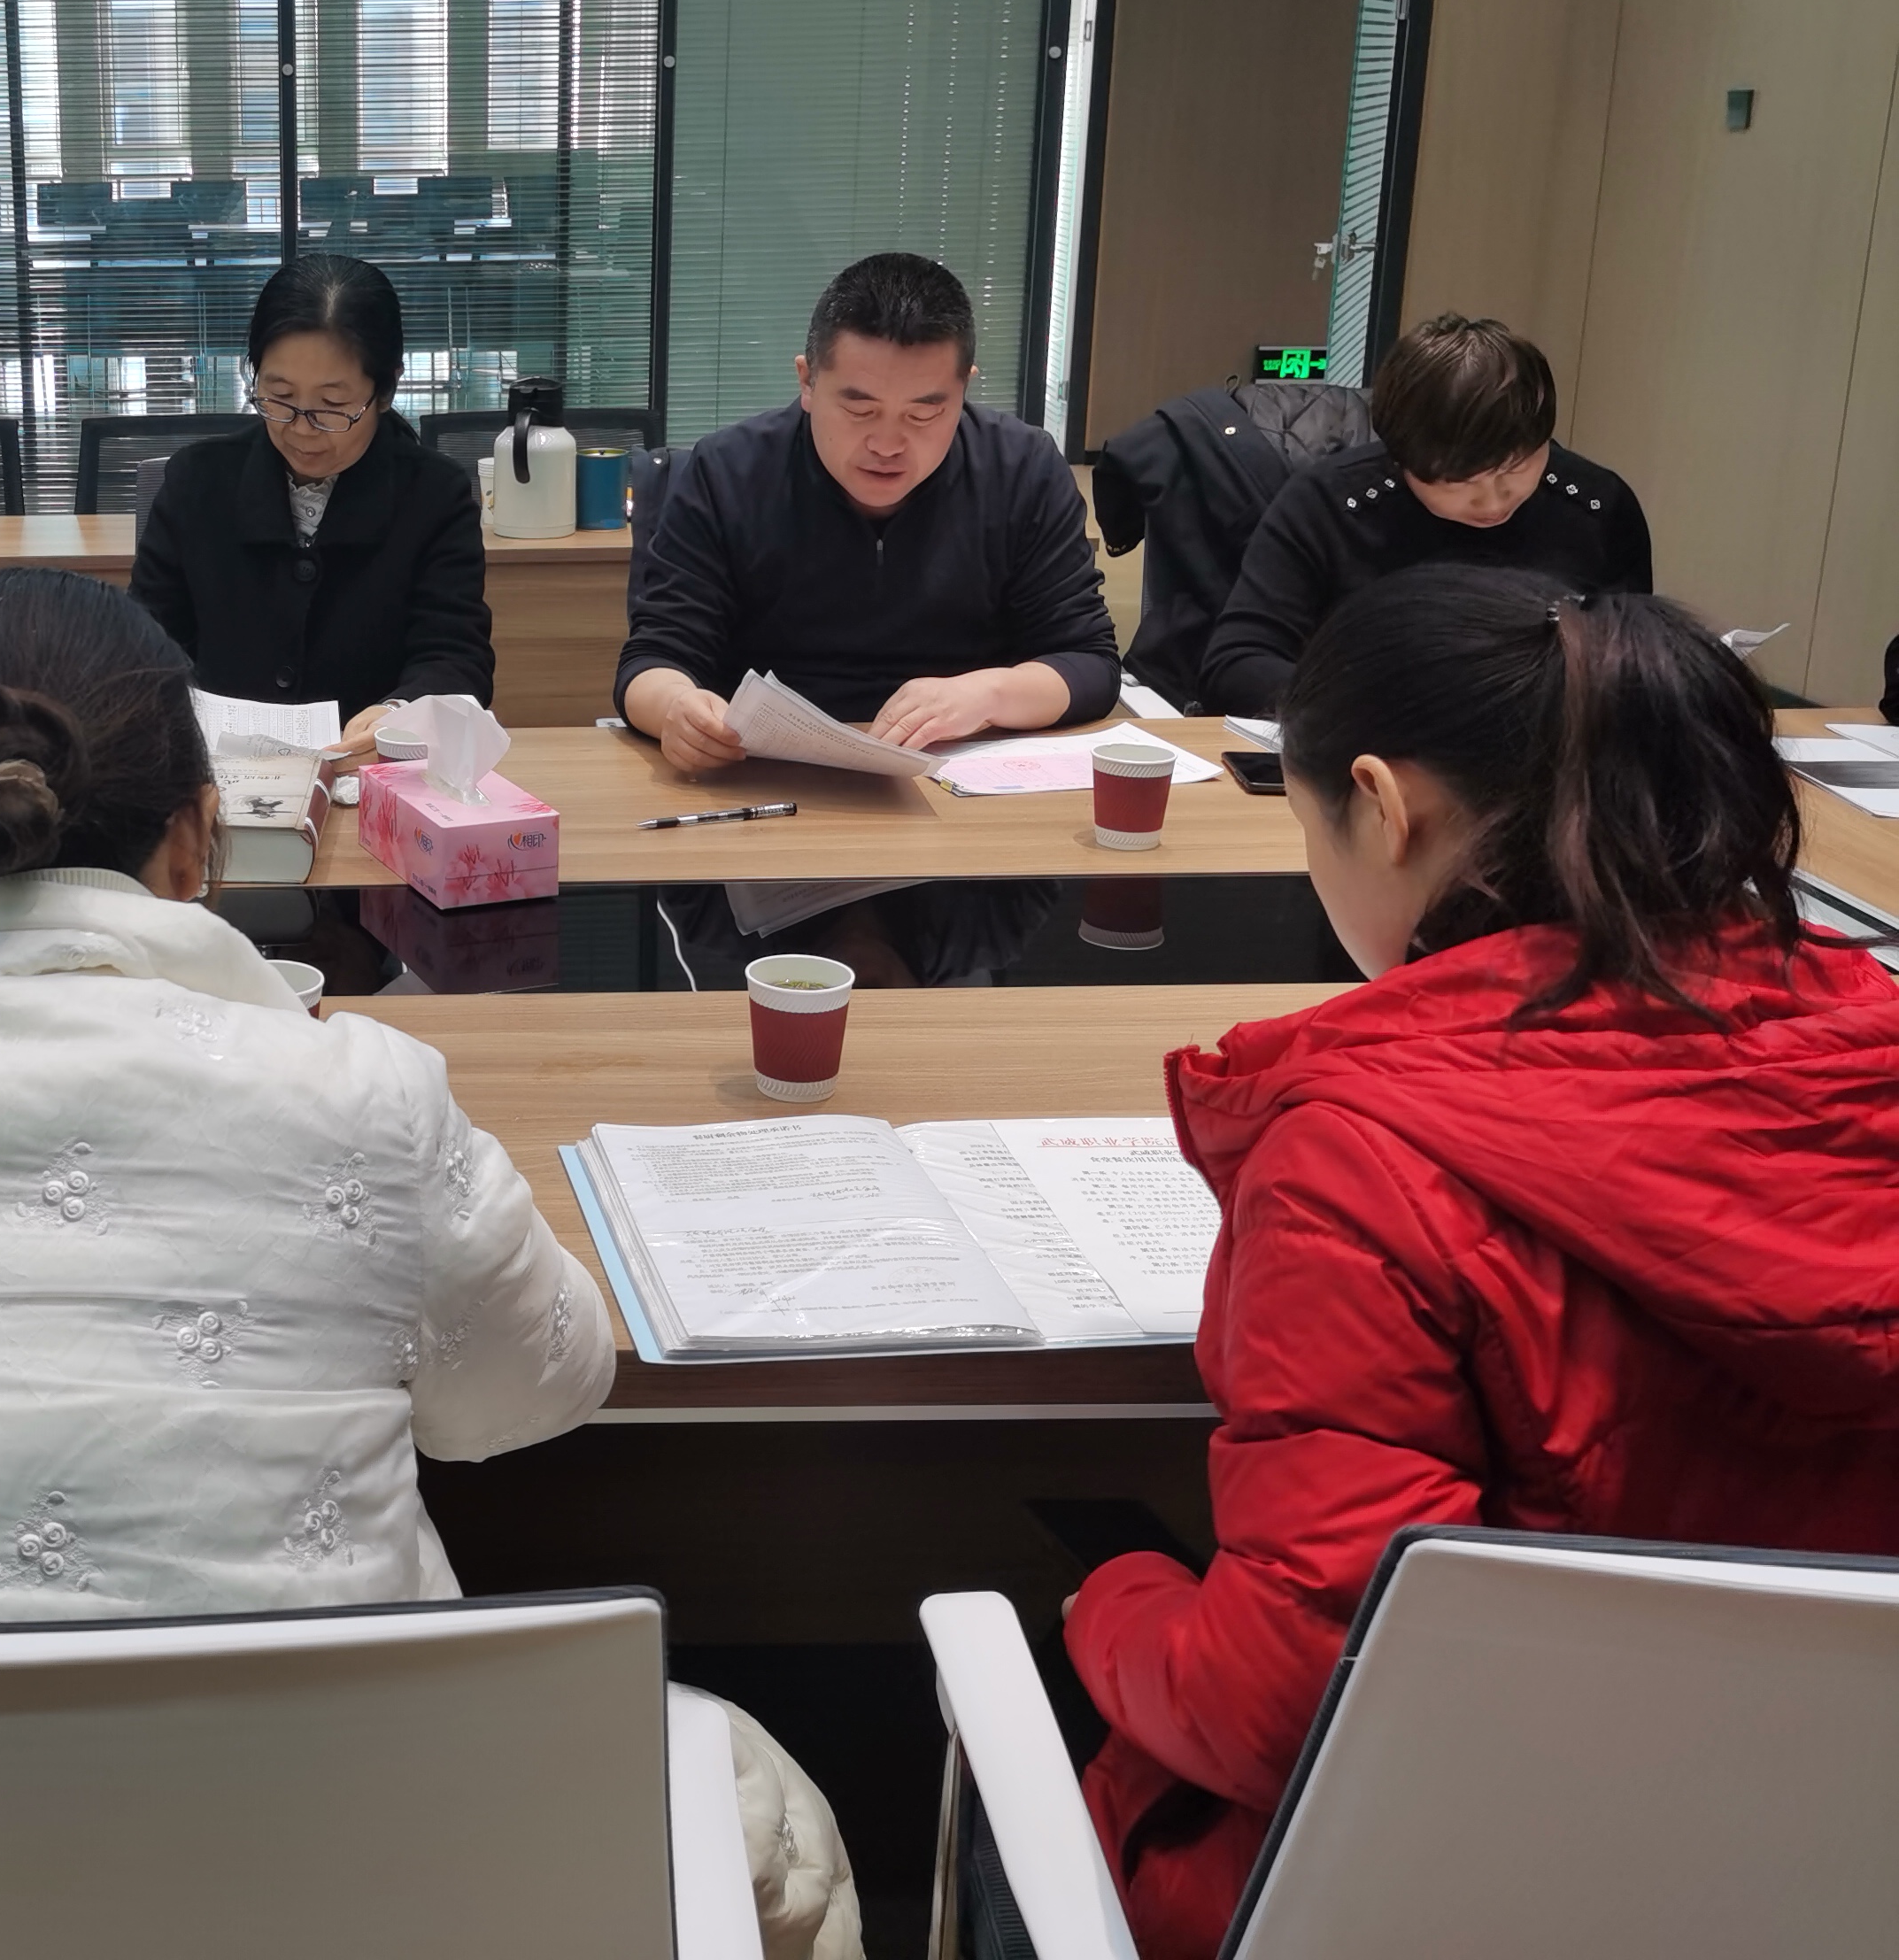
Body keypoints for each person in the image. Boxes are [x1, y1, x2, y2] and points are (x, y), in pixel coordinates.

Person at [0, 567, 863, 1960]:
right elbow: (537, 1389)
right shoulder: (362, 1097)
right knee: (750, 1789)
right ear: (197, 843)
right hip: (337, 1891)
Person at [1068, 567, 1899, 1960]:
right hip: (1835, 1872)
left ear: (1383, 807)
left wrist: (1114, 1603)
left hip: (1476, 1885)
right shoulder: (1867, 1036)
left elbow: (1286, 1711)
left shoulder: (1363, 1158)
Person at [617, 252, 1117, 765]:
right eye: (860, 409)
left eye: (923, 414)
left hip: (958, 772)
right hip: (767, 772)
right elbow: (654, 660)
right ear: (807, 381)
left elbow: (1089, 662)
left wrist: (987, 694)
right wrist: (677, 708)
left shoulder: (1022, 470)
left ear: (964, 387)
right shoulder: (727, 472)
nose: (887, 444)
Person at [1198, 313, 1649, 716]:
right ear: (1401, 459)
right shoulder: (1329, 505)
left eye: (1515, 471)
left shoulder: (1596, 506)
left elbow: (1635, 665)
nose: (1493, 503)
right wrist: (1373, 710)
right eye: (1456, 483)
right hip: (1374, 746)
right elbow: (1236, 665)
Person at [129, 255, 492, 749]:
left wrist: (399, 716)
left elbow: (455, 657)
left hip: (367, 770)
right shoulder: (197, 482)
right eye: (279, 397)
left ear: (385, 389)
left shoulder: (435, 494)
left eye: (333, 406)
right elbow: (144, 645)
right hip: (219, 770)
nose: (302, 429)